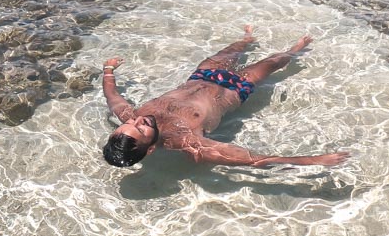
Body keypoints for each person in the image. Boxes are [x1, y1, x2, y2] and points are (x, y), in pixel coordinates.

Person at [101, 26, 350, 169]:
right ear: (152, 148)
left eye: (131, 124)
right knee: (275, 61)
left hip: (202, 75)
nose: (139, 122)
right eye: (141, 131)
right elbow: (252, 159)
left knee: (232, 51)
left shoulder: (131, 116)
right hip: (236, 88)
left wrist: (108, 69)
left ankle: (247, 38)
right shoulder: (187, 141)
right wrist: (315, 160)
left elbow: (112, 96)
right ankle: (295, 50)